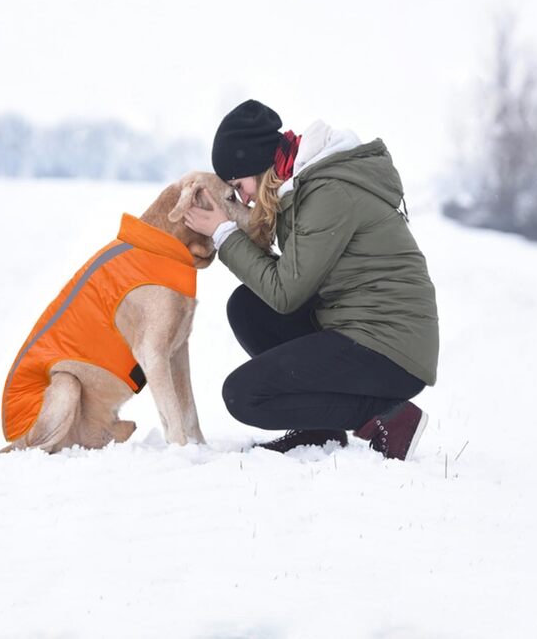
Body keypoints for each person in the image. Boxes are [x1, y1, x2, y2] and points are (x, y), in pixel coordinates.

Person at [183, 99, 439, 460]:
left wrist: (224, 236)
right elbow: (292, 282)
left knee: (244, 396)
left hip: (391, 347)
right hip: (358, 327)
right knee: (248, 307)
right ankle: (319, 429)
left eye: (239, 186)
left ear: (257, 166)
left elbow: (287, 293)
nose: (244, 198)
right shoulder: (308, 187)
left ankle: (387, 419)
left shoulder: (328, 192)